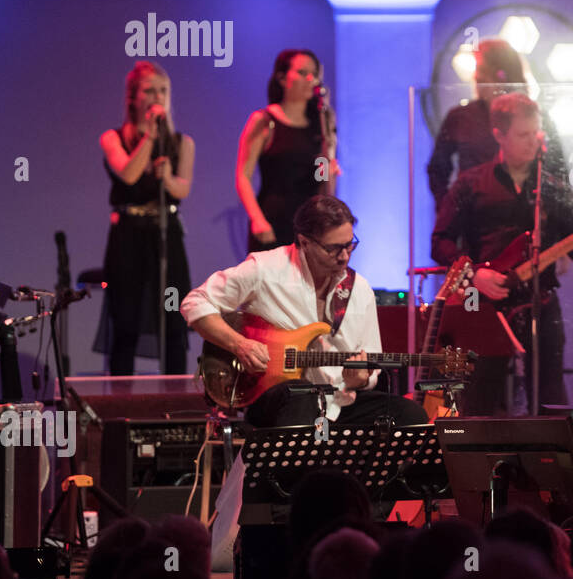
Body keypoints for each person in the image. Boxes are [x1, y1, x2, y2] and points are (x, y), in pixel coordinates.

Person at [431, 92, 573, 415]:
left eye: (535, 133)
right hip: (485, 305)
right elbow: (440, 242)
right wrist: (475, 272)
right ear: (499, 136)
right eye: (522, 134)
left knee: (550, 397)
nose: (532, 141)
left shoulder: (553, 188)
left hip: (540, 303)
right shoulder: (470, 184)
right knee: (481, 398)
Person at [181, 195, 424, 428]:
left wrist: (361, 380)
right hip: (275, 398)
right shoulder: (265, 269)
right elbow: (195, 303)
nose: (345, 256)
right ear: (304, 242)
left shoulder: (359, 290)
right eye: (333, 248)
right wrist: (239, 344)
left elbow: (370, 361)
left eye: (350, 245)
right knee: (303, 395)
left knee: (410, 415)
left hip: (338, 401)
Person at [96, 62, 194, 375]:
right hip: (128, 235)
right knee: (126, 320)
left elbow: (183, 188)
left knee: (173, 318)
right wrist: (149, 137)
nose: (157, 97)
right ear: (133, 97)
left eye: (163, 91)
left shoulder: (182, 143)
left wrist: (166, 178)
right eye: (149, 90)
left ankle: (176, 400)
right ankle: (121, 403)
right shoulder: (113, 138)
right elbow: (128, 173)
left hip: (166, 233)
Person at [427, 38, 567, 208]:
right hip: (475, 221)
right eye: (478, 73)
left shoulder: (537, 117)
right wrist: (450, 212)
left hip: (523, 216)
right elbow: (437, 170)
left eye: (484, 71)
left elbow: (557, 171)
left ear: (503, 75)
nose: (477, 77)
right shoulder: (460, 116)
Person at [237, 49, 337, 253]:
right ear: (282, 78)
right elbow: (243, 176)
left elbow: (322, 179)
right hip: (273, 220)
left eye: (314, 74)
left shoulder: (320, 123)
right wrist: (257, 219)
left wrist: (329, 171)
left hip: (310, 224)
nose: (310, 79)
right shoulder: (265, 120)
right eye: (302, 73)